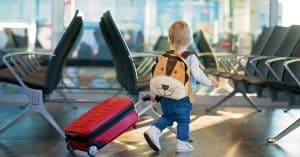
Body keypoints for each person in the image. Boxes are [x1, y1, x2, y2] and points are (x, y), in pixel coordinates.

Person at [144, 21, 219, 153]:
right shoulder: (190, 57)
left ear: (170, 38)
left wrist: (154, 94)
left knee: (169, 116)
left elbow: (155, 77)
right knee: (183, 120)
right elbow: (198, 74)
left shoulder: (164, 56)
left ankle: (154, 129)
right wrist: (210, 82)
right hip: (182, 96)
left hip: (166, 96)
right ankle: (182, 143)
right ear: (189, 38)